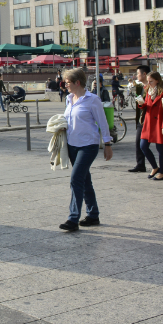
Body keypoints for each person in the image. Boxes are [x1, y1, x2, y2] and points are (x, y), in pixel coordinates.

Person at [59, 68, 112, 231]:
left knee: (76, 179)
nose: (65, 85)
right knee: (85, 181)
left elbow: (103, 122)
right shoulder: (69, 99)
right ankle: (93, 215)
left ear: (77, 82)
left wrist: (107, 144)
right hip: (72, 145)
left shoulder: (92, 100)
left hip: (88, 145)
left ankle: (73, 218)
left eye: (67, 82)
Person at [138, 71, 163, 181]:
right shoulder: (148, 90)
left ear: (157, 80)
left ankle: (162, 172)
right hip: (148, 123)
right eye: (148, 81)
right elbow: (148, 105)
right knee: (143, 146)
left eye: (151, 81)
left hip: (159, 123)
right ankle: (155, 167)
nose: (149, 83)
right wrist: (142, 104)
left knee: (161, 149)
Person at [128, 66, 150, 173]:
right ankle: (141, 164)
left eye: (138, 73)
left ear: (144, 74)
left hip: (150, 120)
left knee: (162, 146)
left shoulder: (151, 87)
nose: (137, 76)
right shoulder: (140, 87)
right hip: (142, 119)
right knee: (139, 143)